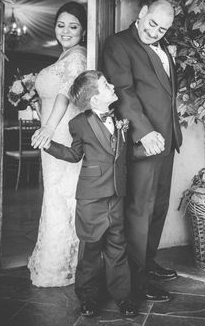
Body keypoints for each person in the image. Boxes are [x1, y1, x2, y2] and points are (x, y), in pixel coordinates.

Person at [103, 0, 183, 301]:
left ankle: (148, 264)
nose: (155, 32)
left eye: (162, 29)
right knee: (139, 211)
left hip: (167, 140)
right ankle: (135, 279)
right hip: (144, 141)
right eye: (152, 24)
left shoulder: (163, 47)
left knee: (158, 207)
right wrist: (145, 132)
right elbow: (123, 91)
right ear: (142, 13)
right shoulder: (118, 44)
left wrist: (168, 133)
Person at [42, 70, 138, 317]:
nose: (112, 84)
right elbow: (75, 155)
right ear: (95, 99)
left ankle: (124, 297)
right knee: (91, 250)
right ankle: (88, 298)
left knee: (118, 247)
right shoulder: (79, 124)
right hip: (91, 197)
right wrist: (48, 145)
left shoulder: (120, 117)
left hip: (117, 193)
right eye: (106, 84)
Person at [27, 2, 87, 287]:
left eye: (73, 26)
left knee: (64, 195)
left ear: (83, 30)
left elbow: (65, 93)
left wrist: (49, 126)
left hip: (62, 133)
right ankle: (59, 261)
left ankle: (65, 265)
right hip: (51, 131)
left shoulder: (77, 57)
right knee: (55, 194)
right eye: (61, 25)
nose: (66, 31)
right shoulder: (65, 55)